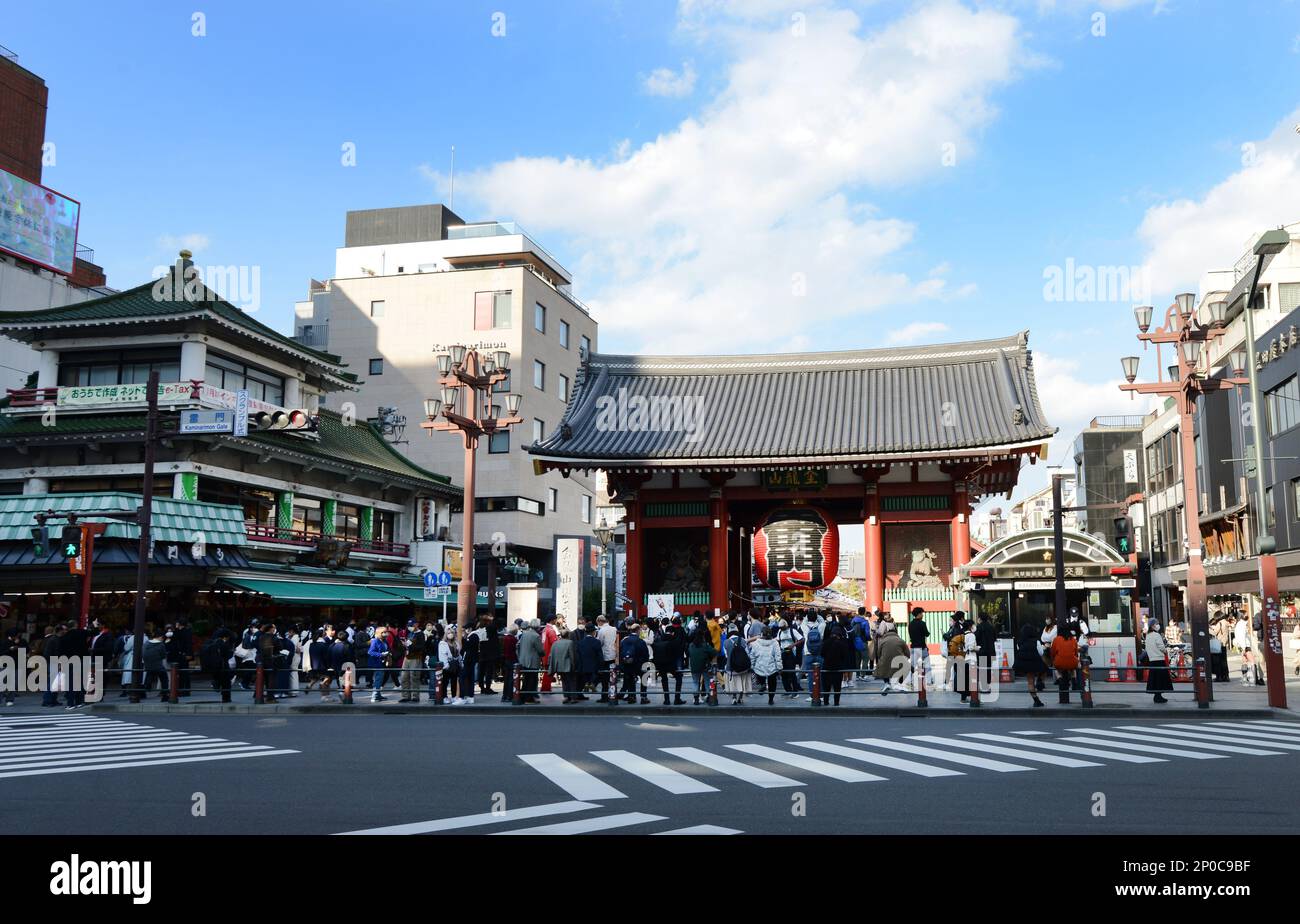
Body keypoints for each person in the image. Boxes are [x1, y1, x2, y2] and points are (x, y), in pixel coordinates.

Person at [820, 620, 854, 706]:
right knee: (837, 687)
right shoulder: (842, 643)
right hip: (838, 668)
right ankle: (836, 702)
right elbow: (845, 655)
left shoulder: (826, 642)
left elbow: (822, 654)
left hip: (826, 667)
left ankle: (826, 701)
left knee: (826, 687)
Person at [652, 619, 686, 705]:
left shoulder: (659, 640)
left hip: (660, 664)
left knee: (664, 680)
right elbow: (678, 653)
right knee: (678, 678)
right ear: (673, 633)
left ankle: (666, 699)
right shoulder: (674, 641)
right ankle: (677, 699)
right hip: (671, 664)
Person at [1014, 620, 1047, 707]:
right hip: (1035, 663)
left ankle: (1036, 700)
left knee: (1030, 682)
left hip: (1024, 664)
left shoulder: (1019, 642)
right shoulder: (1036, 642)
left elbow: (1019, 650)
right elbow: (1041, 653)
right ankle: (1040, 680)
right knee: (1044, 669)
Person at [750, 627, 783, 705]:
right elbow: (778, 656)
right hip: (772, 667)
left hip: (759, 667)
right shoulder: (775, 643)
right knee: (772, 684)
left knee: (760, 676)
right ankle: (771, 699)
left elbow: (753, 656)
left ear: (761, 634)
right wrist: (779, 667)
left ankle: (763, 684)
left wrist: (752, 666)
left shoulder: (755, 643)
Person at [618, 623, 650, 703]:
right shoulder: (640, 641)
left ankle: (632, 696)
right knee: (644, 678)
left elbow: (620, 652)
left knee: (630, 679)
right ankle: (643, 697)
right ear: (638, 630)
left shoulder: (624, 640)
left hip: (627, 664)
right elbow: (645, 654)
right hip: (639, 664)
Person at [874, 624, 911, 693]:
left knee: (883, 667)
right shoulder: (900, 640)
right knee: (906, 667)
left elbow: (878, 654)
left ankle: (887, 683)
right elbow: (908, 654)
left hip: (884, 664)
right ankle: (899, 683)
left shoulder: (883, 641)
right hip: (898, 664)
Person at [1143, 618, 1172, 703]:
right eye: (1156, 623)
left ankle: (1157, 696)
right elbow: (1161, 647)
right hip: (1159, 659)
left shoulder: (1147, 635)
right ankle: (1158, 696)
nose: (1158, 625)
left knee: (1155, 679)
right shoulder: (1156, 635)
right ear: (1152, 625)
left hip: (1152, 660)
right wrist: (1165, 651)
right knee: (1160, 679)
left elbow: (1146, 648)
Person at [1049, 625, 1080, 705]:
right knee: (1073, 668)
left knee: (1056, 668)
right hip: (1072, 661)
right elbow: (1076, 652)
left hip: (1060, 662)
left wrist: (1053, 660)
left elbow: (1052, 652)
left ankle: (1060, 679)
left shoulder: (1056, 639)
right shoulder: (1073, 639)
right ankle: (1074, 682)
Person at [549, 629, 580, 704]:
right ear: (568, 635)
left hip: (559, 665)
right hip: (568, 665)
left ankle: (566, 697)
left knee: (564, 682)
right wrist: (574, 665)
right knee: (572, 681)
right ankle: (573, 697)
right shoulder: (570, 642)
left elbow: (551, 655)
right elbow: (572, 655)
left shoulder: (556, 643)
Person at [517, 620, 544, 704]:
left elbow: (519, 645)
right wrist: (543, 653)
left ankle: (523, 697)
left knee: (526, 680)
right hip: (532, 661)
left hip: (523, 660)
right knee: (531, 680)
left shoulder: (524, 634)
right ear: (538, 627)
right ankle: (529, 698)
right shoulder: (536, 636)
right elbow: (540, 650)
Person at [687, 628, 717, 704]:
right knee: (707, 681)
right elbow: (714, 652)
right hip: (705, 666)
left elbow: (688, 654)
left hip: (694, 666)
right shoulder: (705, 645)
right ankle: (708, 697)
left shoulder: (691, 645)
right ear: (702, 636)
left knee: (695, 682)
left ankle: (696, 699)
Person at [399, 622, 425, 703]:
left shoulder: (421, 634)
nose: (409, 627)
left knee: (414, 677)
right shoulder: (410, 633)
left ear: (416, 624)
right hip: (407, 657)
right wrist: (404, 645)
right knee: (404, 677)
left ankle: (415, 696)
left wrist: (410, 646)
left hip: (415, 658)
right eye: (408, 626)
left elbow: (421, 647)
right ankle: (405, 696)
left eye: (411, 625)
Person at [942, 612, 967, 697]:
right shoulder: (951, 628)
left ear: (955, 621)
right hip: (951, 651)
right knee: (950, 668)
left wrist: (945, 635)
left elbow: (953, 639)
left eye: (951, 620)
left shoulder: (956, 629)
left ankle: (953, 684)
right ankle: (947, 683)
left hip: (954, 652)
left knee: (953, 668)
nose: (949, 621)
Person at [724, 631, 752, 705]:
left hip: (731, 668)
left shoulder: (726, 642)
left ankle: (734, 698)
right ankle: (741, 698)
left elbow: (726, 656)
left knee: (733, 684)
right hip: (743, 667)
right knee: (742, 683)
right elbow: (748, 653)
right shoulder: (743, 640)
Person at [575, 627, 602, 700]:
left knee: (581, 681)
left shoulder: (580, 642)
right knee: (599, 676)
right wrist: (600, 664)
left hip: (583, 665)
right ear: (593, 632)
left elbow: (578, 655)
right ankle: (592, 684)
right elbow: (600, 656)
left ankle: (581, 691)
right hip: (594, 665)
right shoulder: (597, 642)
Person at [907, 607, 930, 689]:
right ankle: (929, 681)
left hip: (913, 647)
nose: (922, 615)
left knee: (912, 665)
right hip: (922, 647)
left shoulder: (910, 624)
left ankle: (909, 681)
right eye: (922, 613)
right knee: (927, 664)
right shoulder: (922, 623)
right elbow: (927, 634)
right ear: (919, 614)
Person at [974, 612, 997, 693]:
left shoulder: (979, 627)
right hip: (990, 651)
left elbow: (976, 638)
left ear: (980, 618)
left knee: (983, 669)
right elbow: (995, 638)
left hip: (982, 651)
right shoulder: (991, 627)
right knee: (988, 669)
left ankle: (984, 688)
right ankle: (988, 686)